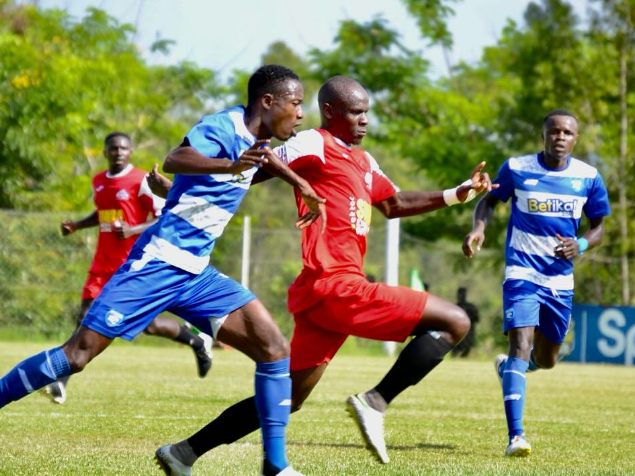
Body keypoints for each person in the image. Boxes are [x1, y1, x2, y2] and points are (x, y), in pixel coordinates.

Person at [155, 75, 496, 472]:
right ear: (331, 112)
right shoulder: (313, 142)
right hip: (335, 285)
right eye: (356, 112)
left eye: (367, 112)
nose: (364, 120)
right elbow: (255, 170)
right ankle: (376, 402)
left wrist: (461, 192)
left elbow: (396, 202)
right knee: (455, 321)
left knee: (289, 397)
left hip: (326, 296)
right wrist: (180, 187)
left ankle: (184, 452)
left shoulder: (365, 161)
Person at [0, 64, 326, 476]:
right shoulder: (223, 126)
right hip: (158, 263)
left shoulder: (258, 142)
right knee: (77, 356)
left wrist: (303, 185)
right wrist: (228, 167)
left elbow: (256, 165)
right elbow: (176, 158)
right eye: (296, 104)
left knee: (275, 349)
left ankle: (275, 466)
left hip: (197, 273)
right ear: (268, 101)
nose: (300, 114)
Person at [462, 109, 611, 457]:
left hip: (559, 278)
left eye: (567, 133)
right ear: (542, 136)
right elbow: (490, 201)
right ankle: (516, 436)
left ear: (576, 139)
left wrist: (582, 244)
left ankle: (513, 370)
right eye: (554, 131)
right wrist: (478, 229)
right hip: (521, 272)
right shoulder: (517, 168)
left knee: (547, 358)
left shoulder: (588, 177)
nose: (560, 137)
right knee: (521, 346)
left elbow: (600, 225)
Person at [42, 132, 213, 406]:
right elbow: (103, 213)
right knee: (85, 317)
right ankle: (61, 382)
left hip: (133, 265)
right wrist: (76, 225)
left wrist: (132, 229)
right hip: (101, 265)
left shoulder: (141, 181)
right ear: (106, 151)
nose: (118, 152)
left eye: (123, 148)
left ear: (130, 152)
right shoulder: (98, 181)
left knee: (151, 325)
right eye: (113, 148)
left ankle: (196, 342)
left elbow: (165, 215)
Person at [451, 287, 480, 358]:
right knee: (455, 350)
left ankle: (461, 358)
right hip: (457, 332)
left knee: (466, 348)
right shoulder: (455, 307)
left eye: (462, 294)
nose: (460, 296)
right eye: (460, 294)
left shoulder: (470, 307)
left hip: (468, 332)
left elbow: (477, 319)